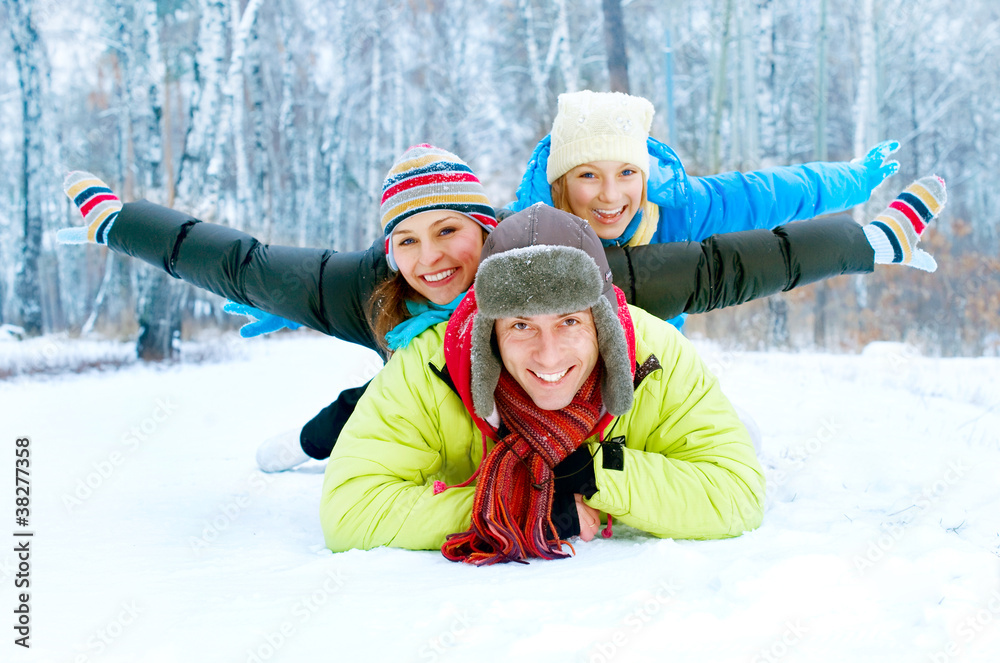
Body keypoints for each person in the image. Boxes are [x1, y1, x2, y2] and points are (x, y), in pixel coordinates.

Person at [59, 149, 946, 471]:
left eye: (450, 232)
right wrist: (117, 223)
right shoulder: (363, 284)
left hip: (539, 416)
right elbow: (240, 261)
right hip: (425, 408)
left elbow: (721, 265)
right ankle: (313, 444)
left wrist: (870, 242)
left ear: (485, 232)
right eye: (408, 240)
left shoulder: (555, 267)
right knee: (337, 435)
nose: (431, 258)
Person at [320, 204, 765, 563]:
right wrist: (520, 507)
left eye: (570, 320)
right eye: (520, 325)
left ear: (604, 322)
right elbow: (350, 509)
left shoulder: (657, 354)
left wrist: (593, 469)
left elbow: (736, 493)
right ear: (486, 331)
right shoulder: (430, 364)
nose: (548, 355)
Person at [509, 90, 901, 326]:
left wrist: (856, 180)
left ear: (645, 176)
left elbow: (770, 193)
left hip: (655, 373)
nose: (611, 195)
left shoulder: (678, 210)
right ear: (561, 182)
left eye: (627, 172)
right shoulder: (522, 236)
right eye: (589, 176)